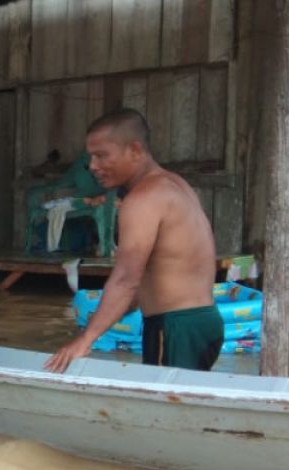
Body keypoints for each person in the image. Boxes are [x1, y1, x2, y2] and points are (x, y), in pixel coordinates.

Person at [45, 109, 222, 374]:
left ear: (135, 150)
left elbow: (127, 278)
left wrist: (86, 340)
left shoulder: (142, 199)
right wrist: (101, 320)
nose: (93, 165)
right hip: (202, 321)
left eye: (101, 155)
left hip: (174, 326)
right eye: (91, 157)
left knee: (165, 413)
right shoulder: (175, 185)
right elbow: (159, 273)